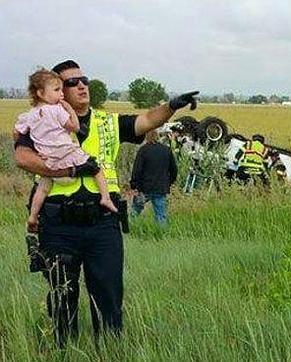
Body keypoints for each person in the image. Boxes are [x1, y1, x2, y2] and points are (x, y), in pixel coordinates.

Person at [13, 59, 199, 346]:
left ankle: (109, 350)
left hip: (103, 222)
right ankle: (64, 350)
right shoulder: (41, 118)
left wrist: (172, 105)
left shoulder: (108, 122)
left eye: (84, 79)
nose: (82, 85)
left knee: (109, 295)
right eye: (71, 82)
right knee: (62, 295)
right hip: (59, 223)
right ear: (57, 90)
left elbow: (147, 120)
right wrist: (70, 170)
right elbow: (22, 158)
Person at [15, 69, 118, 233]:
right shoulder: (57, 110)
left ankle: (33, 216)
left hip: (48, 160)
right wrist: (69, 109)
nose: (61, 94)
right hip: (67, 154)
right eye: (57, 90)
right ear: (41, 93)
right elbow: (74, 127)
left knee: (42, 188)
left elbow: (17, 132)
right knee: (96, 168)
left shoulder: (29, 115)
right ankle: (106, 198)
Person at [130, 129, 178, 225]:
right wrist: (169, 182)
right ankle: (160, 236)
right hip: (160, 187)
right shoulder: (166, 150)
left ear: (146, 137)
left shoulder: (143, 150)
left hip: (144, 188)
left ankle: (129, 230)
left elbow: (137, 170)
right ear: (158, 137)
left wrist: (134, 185)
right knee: (161, 215)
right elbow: (174, 169)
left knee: (135, 212)